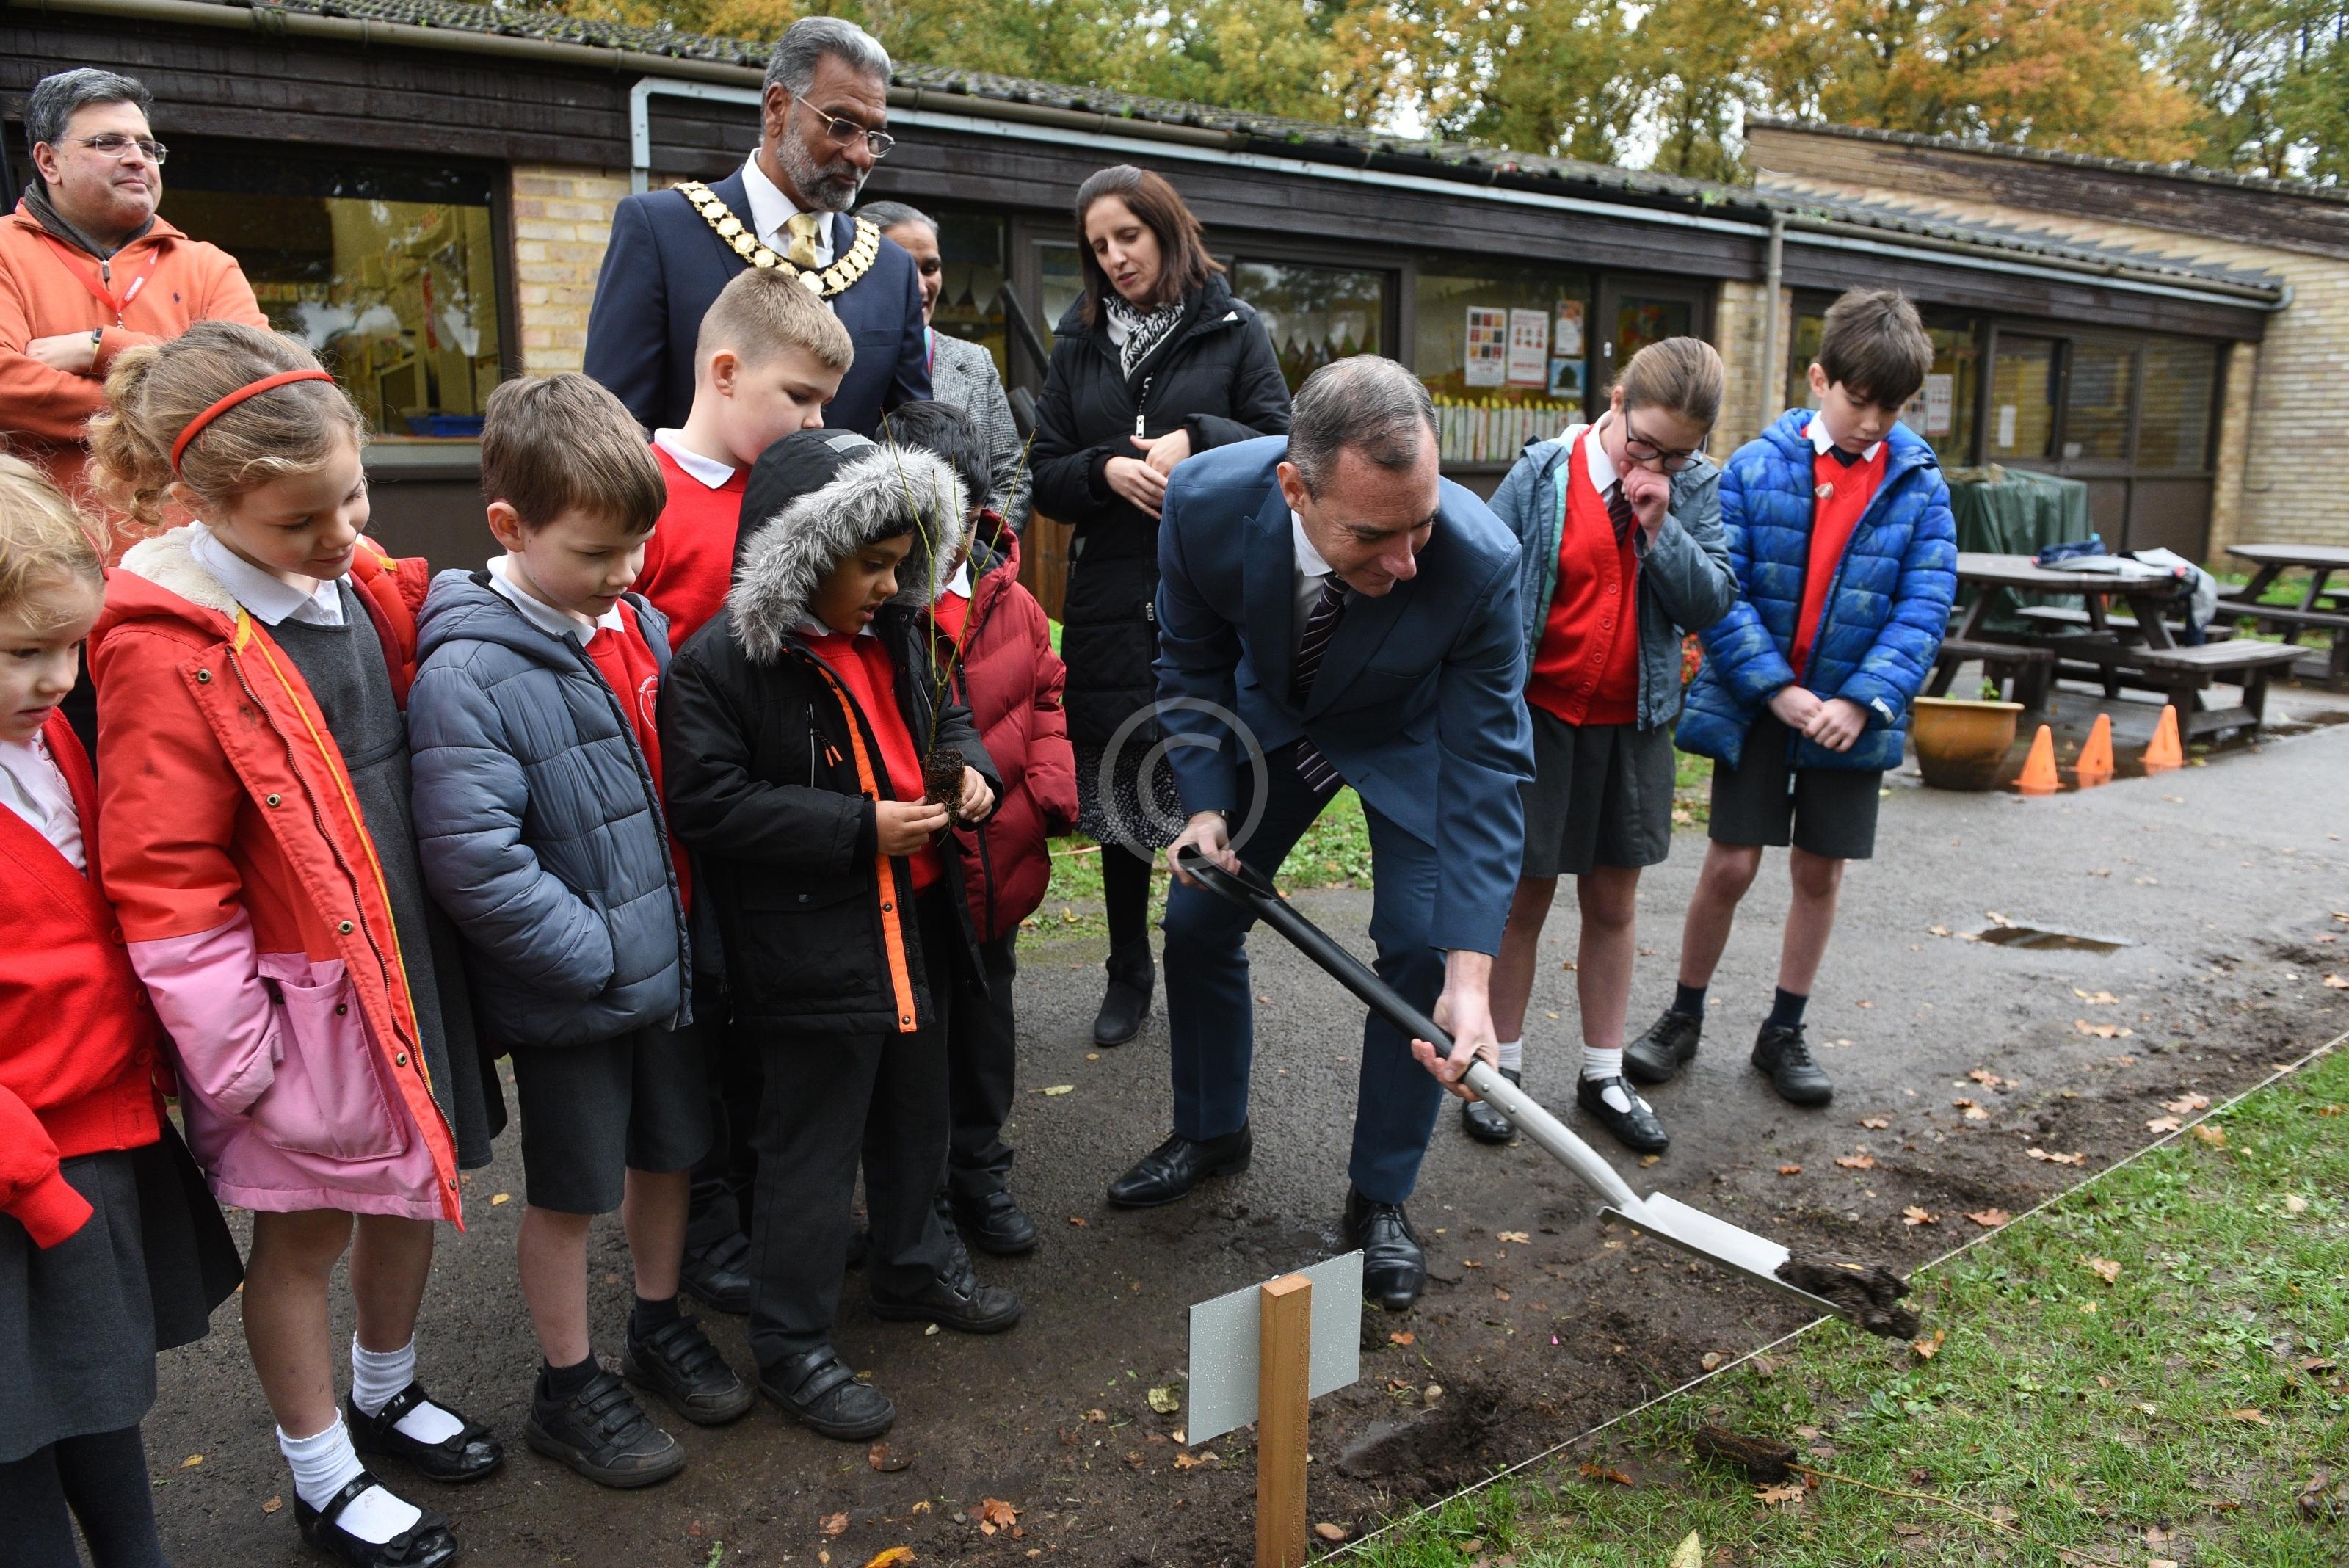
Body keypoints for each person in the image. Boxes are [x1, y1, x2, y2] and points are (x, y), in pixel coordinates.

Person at [88, 322, 504, 1568]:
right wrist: (240, 1053)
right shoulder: (167, 651)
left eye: (353, 499)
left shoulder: (355, 577)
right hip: (293, 1006)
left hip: (399, 962)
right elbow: (163, 874)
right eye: (301, 523)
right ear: (205, 502)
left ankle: (387, 1386)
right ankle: (323, 1474)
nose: (339, 537)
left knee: (413, 1190)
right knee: (307, 1232)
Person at [1110, 356, 1532, 1314]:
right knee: (1199, 918)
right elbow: (1192, 655)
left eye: (1423, 523)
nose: (1409, 562)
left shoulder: (1481, 561)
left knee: (1421, 948)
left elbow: (1486, 764)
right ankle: (1212, 1129)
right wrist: (1209, 805)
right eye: (1376, 535)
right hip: (1277, 719)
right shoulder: (1207, 503)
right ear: (1294, 488)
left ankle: (1380, 1196)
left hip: (1408, 733)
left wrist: (1474, 981)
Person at [406, 374, 752, 1491]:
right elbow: (476, 859)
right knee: (569, 1191)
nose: (627, 577)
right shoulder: (468, 668)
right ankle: (569, 1382)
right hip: (581, 988)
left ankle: (657, 1321)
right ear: (509, 527)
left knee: (670, 1153)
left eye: (637, 549)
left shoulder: (632, 619)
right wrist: (600, 956)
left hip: (665, 965)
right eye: (598, 554)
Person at [661, 427, 1011, 1442]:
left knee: (917, 1116)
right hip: (814, 953)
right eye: (872, 566)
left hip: (922, 931)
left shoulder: (898, 632)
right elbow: (710, 803)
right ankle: (792, 1344)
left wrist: (965, 767)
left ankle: (909, 1265)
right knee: (807, 1152)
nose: (891, 585)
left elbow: (944, 717)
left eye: (903, 566)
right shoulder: (719, 668)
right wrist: (860, 829)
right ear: (803, 555)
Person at [0, 454, 241, 1568]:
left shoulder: (44, 742)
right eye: (24, 654)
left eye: (69, 649)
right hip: (22, 1173)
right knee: (16, 1435)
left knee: (100, 1396)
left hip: (97, 1136)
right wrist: (34, 1187)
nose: (60, 679)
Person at [1632, 289, 1956, 1108]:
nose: (1874, 421)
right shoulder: (1753, 467)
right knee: (1731, 863)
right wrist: (1773, 689)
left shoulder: (1920, 486)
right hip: (1759, 706)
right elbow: (1723, 593)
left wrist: (1861, 701)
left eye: (1893, 406)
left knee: (1818, 871)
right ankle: (1682, 1015)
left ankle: (1783, 1030)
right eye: (1859, 399)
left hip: (1851, 719)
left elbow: (1923, 606)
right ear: (1819, 379)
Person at [628, 266, 853, 1317]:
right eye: (799, 398)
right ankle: (709, 1224)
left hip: (786, 828)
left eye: (825, 404)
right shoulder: (643, 499)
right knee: (699, 1039)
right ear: (725, 371)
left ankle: (774, 1212)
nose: (815, 421)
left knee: (768, 1028)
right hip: (683, 826)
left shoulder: (801, 493)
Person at [1030, 164, 1291, 1049]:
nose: (1113, 259)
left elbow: (1282, 440)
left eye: (1127, 238)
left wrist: (1197, 442)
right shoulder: (1079, 341)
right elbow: (1046, 475)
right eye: (1098, 246)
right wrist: (1105, 468)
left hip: (1207, 588)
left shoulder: (1232, 326)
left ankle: (1201, 961)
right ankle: (1125, 967)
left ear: (1165, 229)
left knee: (1200, 775)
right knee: (1118, 786)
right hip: (1108, 591)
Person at [1476, 339, 1737, 1155]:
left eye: (1679, 450)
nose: (1655, 461)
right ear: (1615, 401)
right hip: (1540, 719)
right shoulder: (1544, 472)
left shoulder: (1693, 488)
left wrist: (1661, 529)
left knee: (1614, 903)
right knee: (1522, 901)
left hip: (1633, 725)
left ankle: (1601, 1074)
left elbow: (1711, 600)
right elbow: (1482, 578)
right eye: (1644, 442)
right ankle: (1501, 1069)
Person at [879, 398, 1077, 1256]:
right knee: (916, 1043)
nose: (940, 541)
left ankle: (981, 1174)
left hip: (997, 865)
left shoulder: (1012, 599)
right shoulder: (881, 607)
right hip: (916, 877)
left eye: (951, 516)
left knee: (986, 1027)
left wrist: (1041, 796)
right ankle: (916, 1198)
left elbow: (1045, 695)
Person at [584, 16, 927, 438]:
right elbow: (610, 431)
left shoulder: (892, 269)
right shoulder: (661, 230)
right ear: (777, 108)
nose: (861, 156)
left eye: (875, 135)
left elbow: (913, 439)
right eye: (841, 126)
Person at [1, 69, 264, 534]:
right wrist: (188, 408)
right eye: (109, 143)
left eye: (147, 147)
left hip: (201, 558)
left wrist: (104, 347)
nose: (137, 159)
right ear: (49, 161)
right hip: (44, 560)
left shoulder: (208, 265)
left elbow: (257, 385)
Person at [860, 200, 1031, 534]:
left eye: (930, 268)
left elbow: (1011, 475)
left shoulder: (974, 362)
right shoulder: (834, 360)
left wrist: (975, 557)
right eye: (906, 270)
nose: (922, 287)